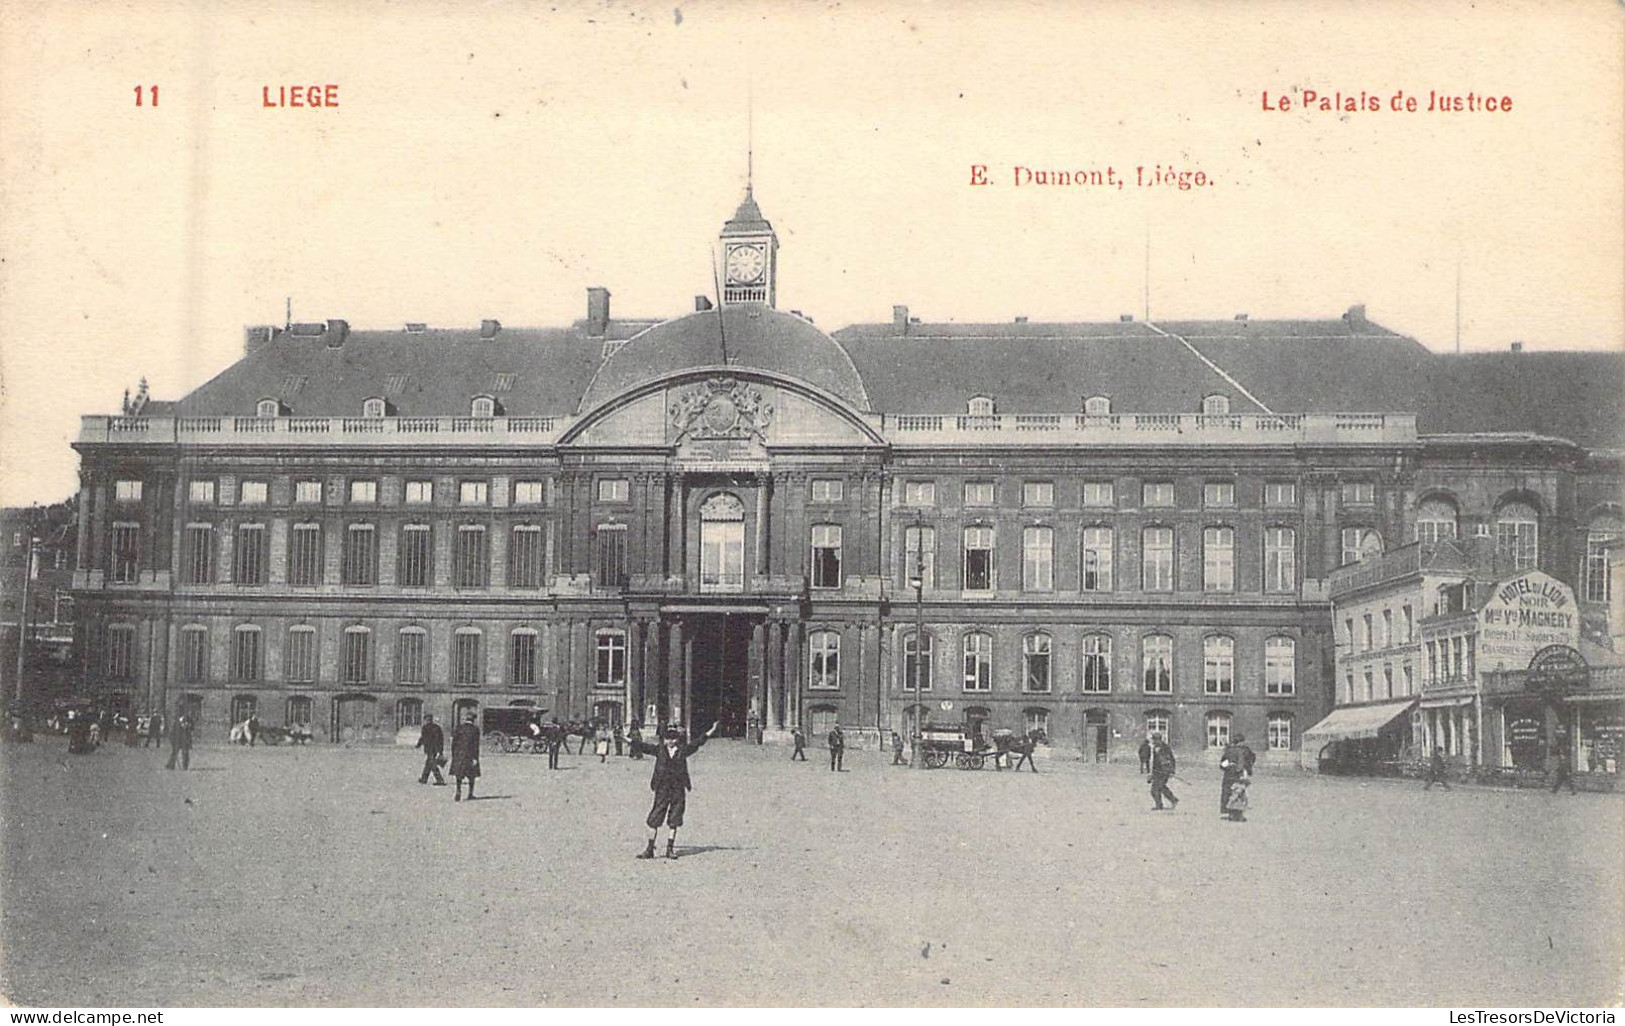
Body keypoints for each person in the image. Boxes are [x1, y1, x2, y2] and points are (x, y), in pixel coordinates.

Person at [631, 721, 719, 860]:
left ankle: (670, 849)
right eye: (668, 738)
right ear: (664, 739)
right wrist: (626, 739)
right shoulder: (659, 750)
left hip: (678, 787)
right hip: (662, 788)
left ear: (678, 739)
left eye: (673, 738)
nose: (670, 741)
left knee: (675, 817)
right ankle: (649, 849)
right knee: (655, 817)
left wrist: (711, 730)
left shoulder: (683, 751)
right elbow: (642, 746)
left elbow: (697, 743)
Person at [1219, 732, 1256, 821]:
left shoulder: (1229, 750)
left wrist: (1228, 767)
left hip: (1228, 774)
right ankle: (1237, 815)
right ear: (1240, 742)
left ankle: (1229, 813)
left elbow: (1222, 764)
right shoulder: (1241, 751)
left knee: (1228, 793)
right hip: (1236, 775)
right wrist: (1241, 772)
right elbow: (1241, 763)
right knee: (1238, 794)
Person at [450, 712, 481, 801]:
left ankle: (458, 791)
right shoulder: (475, 730)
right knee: (472, 775)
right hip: (470, 755)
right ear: (473, 720)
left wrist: (454, 755)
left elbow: (454, 742)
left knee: (459, 774)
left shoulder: (459, 728)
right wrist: (475, 758)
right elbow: (476, 745)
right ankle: (470, 794)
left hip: (459, 755)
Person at [1149, 733, 1178, 809]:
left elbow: (1172, 759)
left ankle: (1163, 804)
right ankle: (1168, 801)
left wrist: (1172, 770)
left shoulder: (1166, 748)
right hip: (1157, 772)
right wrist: (1152, 774)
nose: (1153, 742)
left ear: (1159, 739)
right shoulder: (1155, 748)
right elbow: (1155, 763)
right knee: (1154, 790)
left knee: (1159, 787)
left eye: (1155, 740)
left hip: (1165, 772)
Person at [416, 713, 446, 785]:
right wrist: (440, 750)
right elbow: (441, 740)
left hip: (430, 748)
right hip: (435, 749)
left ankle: (440, 780)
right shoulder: (437, 727)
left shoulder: (425, 727)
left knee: (432, 764)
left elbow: (423, 738)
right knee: (428, 763)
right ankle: (424, 778)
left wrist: (418, 744)